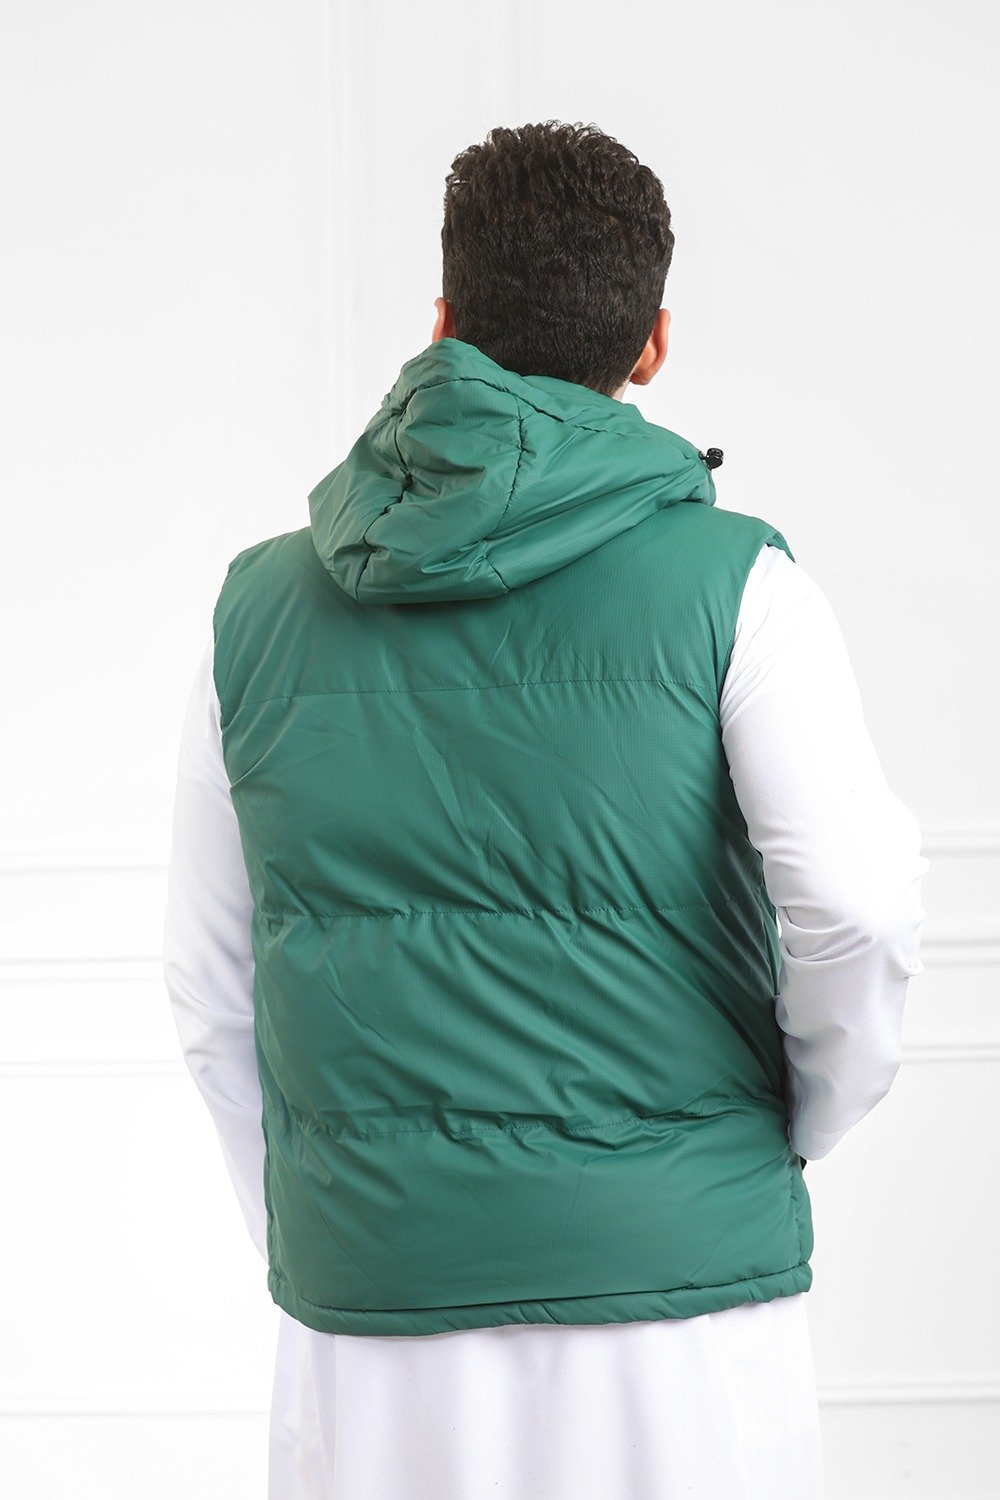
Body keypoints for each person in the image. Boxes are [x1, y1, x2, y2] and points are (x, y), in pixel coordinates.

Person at [163, 120, 928, 1499]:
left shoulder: (252, 613)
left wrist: (333, 1215)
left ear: (443, 321)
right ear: (654, 345)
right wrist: (780, 1126)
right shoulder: (744, 589)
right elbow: (859, 908)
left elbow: (212, 988)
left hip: (374, 1321)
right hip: (679, 1318)